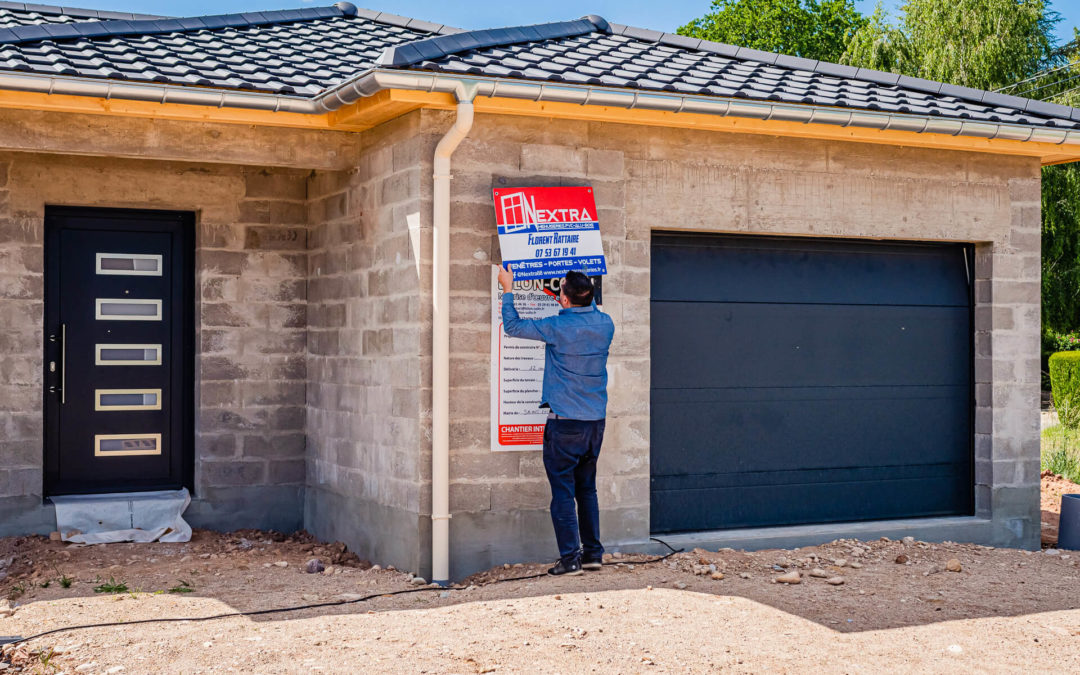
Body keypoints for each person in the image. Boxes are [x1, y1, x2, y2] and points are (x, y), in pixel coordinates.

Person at [496, 264, 615, 576]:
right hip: (594, 424)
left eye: (560, 290)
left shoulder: (557, 328)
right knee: (586, 489)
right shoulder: (606, 324)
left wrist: (507, 289)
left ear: (564, 299)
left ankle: (570, 559)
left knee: (563, 492)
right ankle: (592, 555)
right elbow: (584, 306)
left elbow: (513, 326)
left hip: (565, 425)